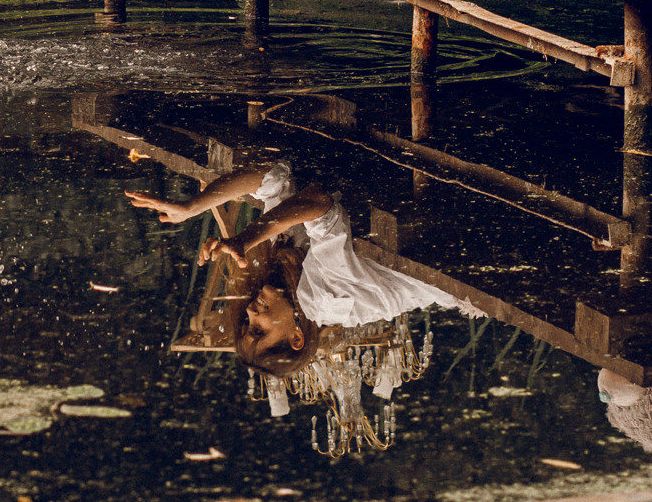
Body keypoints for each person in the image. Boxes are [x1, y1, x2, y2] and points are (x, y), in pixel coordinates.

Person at [125, 161, 470, 377]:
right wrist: (246, 237)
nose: (249, 313)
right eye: (259, 330)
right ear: (296, 337)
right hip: (463, 269)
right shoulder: (323, 301)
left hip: (434, 229)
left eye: (246, 324)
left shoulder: (290, 278)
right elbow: (319, 205)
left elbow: (269, 176)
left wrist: (191, 207)